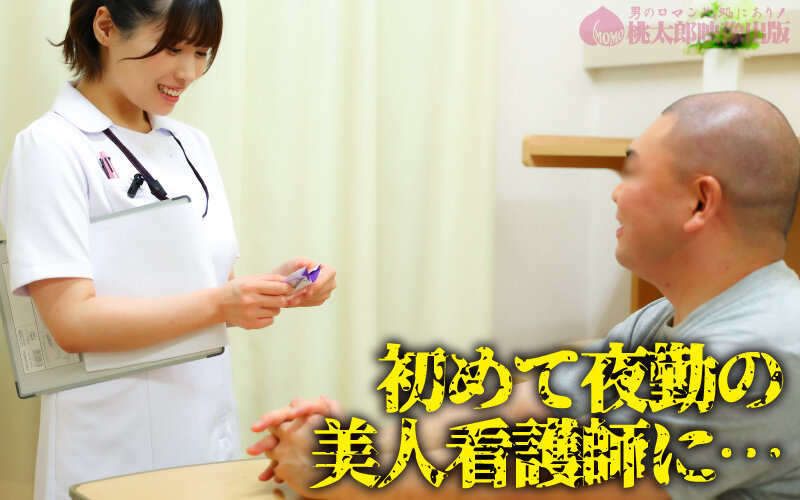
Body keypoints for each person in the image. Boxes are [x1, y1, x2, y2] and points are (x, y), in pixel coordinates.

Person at [249, 91, 800, 499]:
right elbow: (527, 404)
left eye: (634, 172)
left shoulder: (764, 357)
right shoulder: (663, 321)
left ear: (700, 203)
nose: (616, 192)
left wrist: (342, 469)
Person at [0, 1, 336, 499]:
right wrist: (224, 303)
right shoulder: (51, 147)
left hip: (206, 430)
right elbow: (70, 322)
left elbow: (200, 291)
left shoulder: (189, 144)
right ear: (106, 26)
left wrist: (275, 287)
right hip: (111, 447)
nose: (189, 72)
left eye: (201, 52)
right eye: (174, 48)